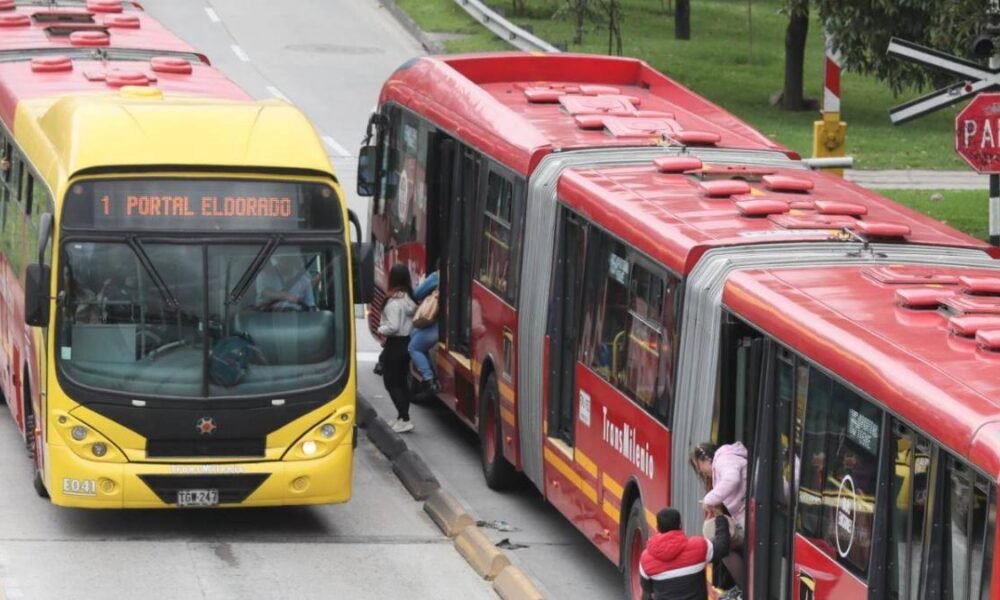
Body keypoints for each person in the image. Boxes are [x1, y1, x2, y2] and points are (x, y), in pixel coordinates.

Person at [640, 508, 730, 600]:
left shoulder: (646, 559)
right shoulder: (699, 546)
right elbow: (722, 548)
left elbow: (648, 588)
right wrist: (719, 518)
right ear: (680, 525)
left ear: (658, 527)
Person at [378, 264, 417, 433]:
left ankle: (405, 418)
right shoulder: (409, 299)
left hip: (395, 344)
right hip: (407, 343)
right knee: (401, 381)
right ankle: (401, 418)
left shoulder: (394, 302)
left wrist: (380, 329)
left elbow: (392, 326)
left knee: (390, 382)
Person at [408, 268, 439, 392]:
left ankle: (428, 380)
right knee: (414, 335)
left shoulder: (437, 276)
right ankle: (430, 374)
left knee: (413, 347)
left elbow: (417, 294)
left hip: (438, 323)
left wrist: (421, 282)